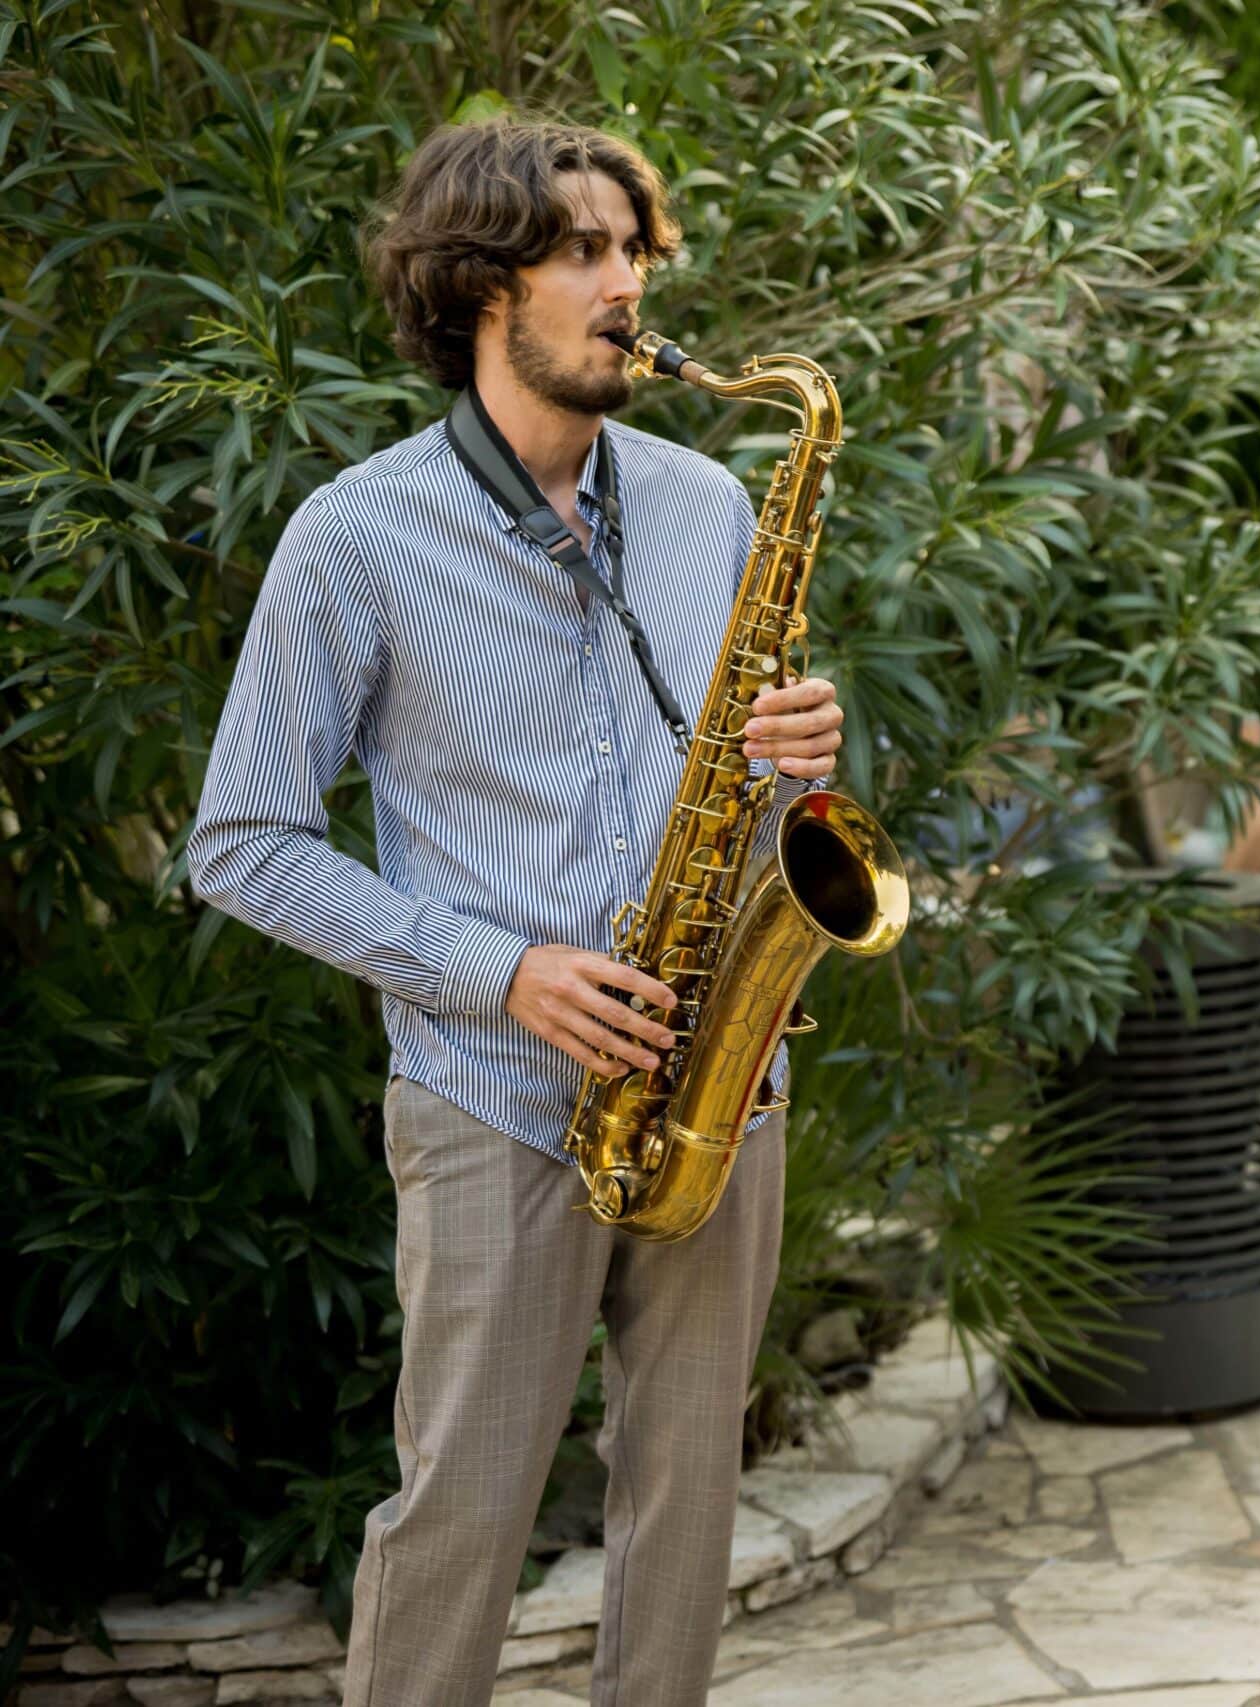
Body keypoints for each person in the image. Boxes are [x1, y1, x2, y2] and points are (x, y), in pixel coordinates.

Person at [186, 120, 845, 1705]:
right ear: (480, 283)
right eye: (584, 252)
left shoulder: (709, 506)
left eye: (635, 248)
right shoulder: (356, 538)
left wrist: (803, 762)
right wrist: (505, 971)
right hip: (495, 1095)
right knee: (463, 1518)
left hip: (713, 1074)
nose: (628, 284)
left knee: (689, 1512)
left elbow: (757, 813)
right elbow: (245, 838)